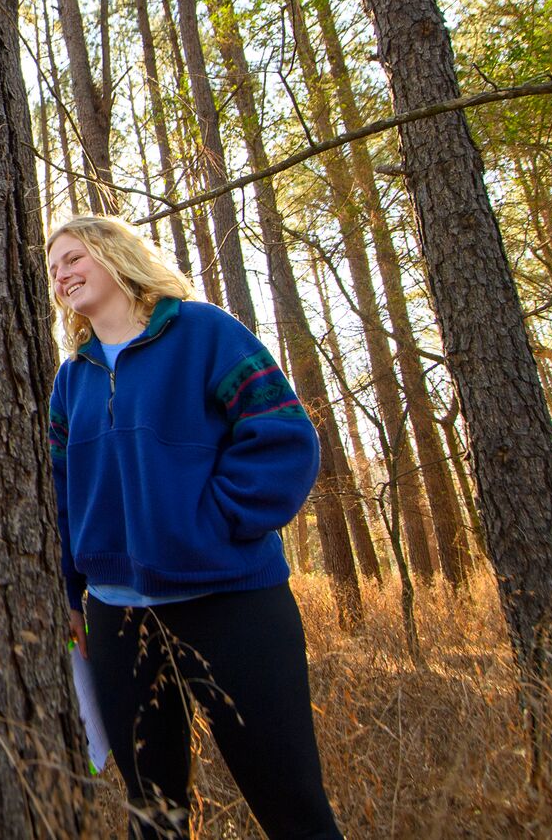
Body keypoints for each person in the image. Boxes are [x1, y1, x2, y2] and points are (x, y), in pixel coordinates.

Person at [45, 215, 341, 840]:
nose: (61, 274)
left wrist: (211, 525)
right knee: (153, 814)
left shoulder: (203, 332)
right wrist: (73, 596)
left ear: (114, 255)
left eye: (74, 258)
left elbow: (283, 439)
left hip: (232, 601)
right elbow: (62, 494)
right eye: (53, 268)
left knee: (291, 805)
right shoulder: (72, 379)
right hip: (121, 621)